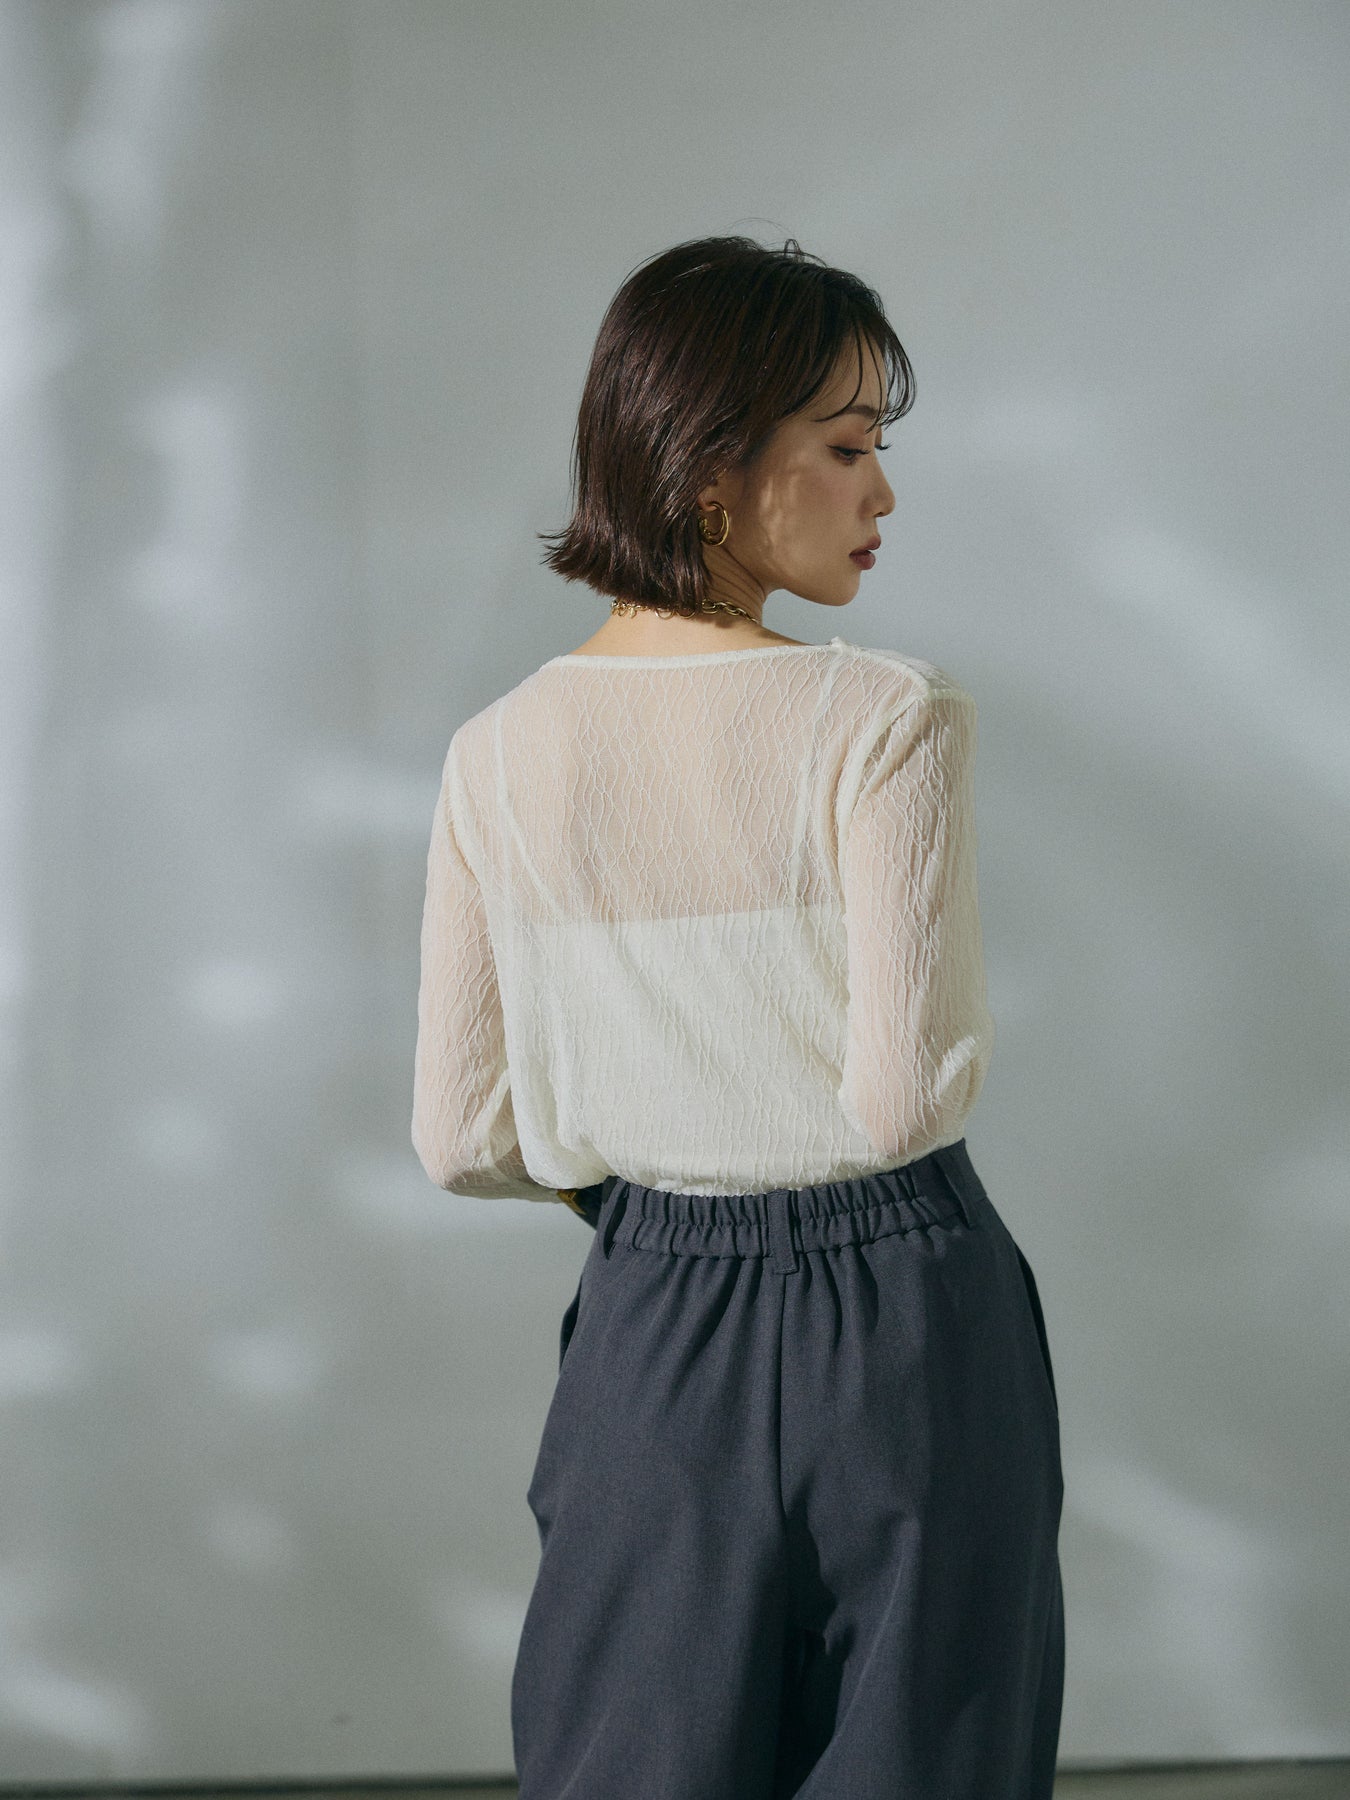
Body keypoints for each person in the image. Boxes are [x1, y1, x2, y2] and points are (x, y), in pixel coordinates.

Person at [411, 234, 1065, 1800]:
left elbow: (458, 1139)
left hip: (650, 1322)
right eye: (844, 448)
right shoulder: (882, 714)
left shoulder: (495, 752)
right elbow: (901, 1104)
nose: (881, 493)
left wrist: (659, 1193)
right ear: (709, 466)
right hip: (903, 1317)